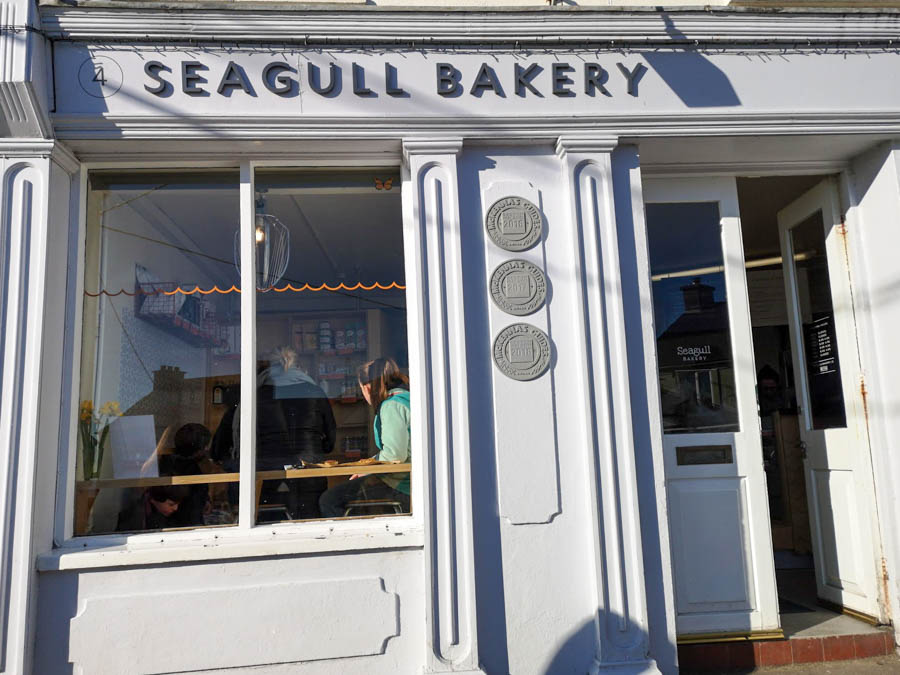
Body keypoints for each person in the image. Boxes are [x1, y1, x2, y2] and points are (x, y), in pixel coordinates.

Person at [319, 357, 411, 518]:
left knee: (329, 500)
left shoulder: (391, 406)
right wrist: (368, 467)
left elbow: (395, 456)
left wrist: (368, 470)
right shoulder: (408, 399)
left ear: (367, 388)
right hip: (411, 480)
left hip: (400, 484)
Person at [256, 346, 336, 519]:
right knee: (311, 518)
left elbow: (245, 433)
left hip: (270, 468)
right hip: (310, 466)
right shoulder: (315, 391)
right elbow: (330, 438)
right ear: (297, 366)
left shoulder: (258, 393)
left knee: (270, 521)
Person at [116, 484, 191, 532]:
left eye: (178, 504)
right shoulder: (134, 517)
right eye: (171, 504)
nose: (176, 508)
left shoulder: (178, 515)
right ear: (154, 500)